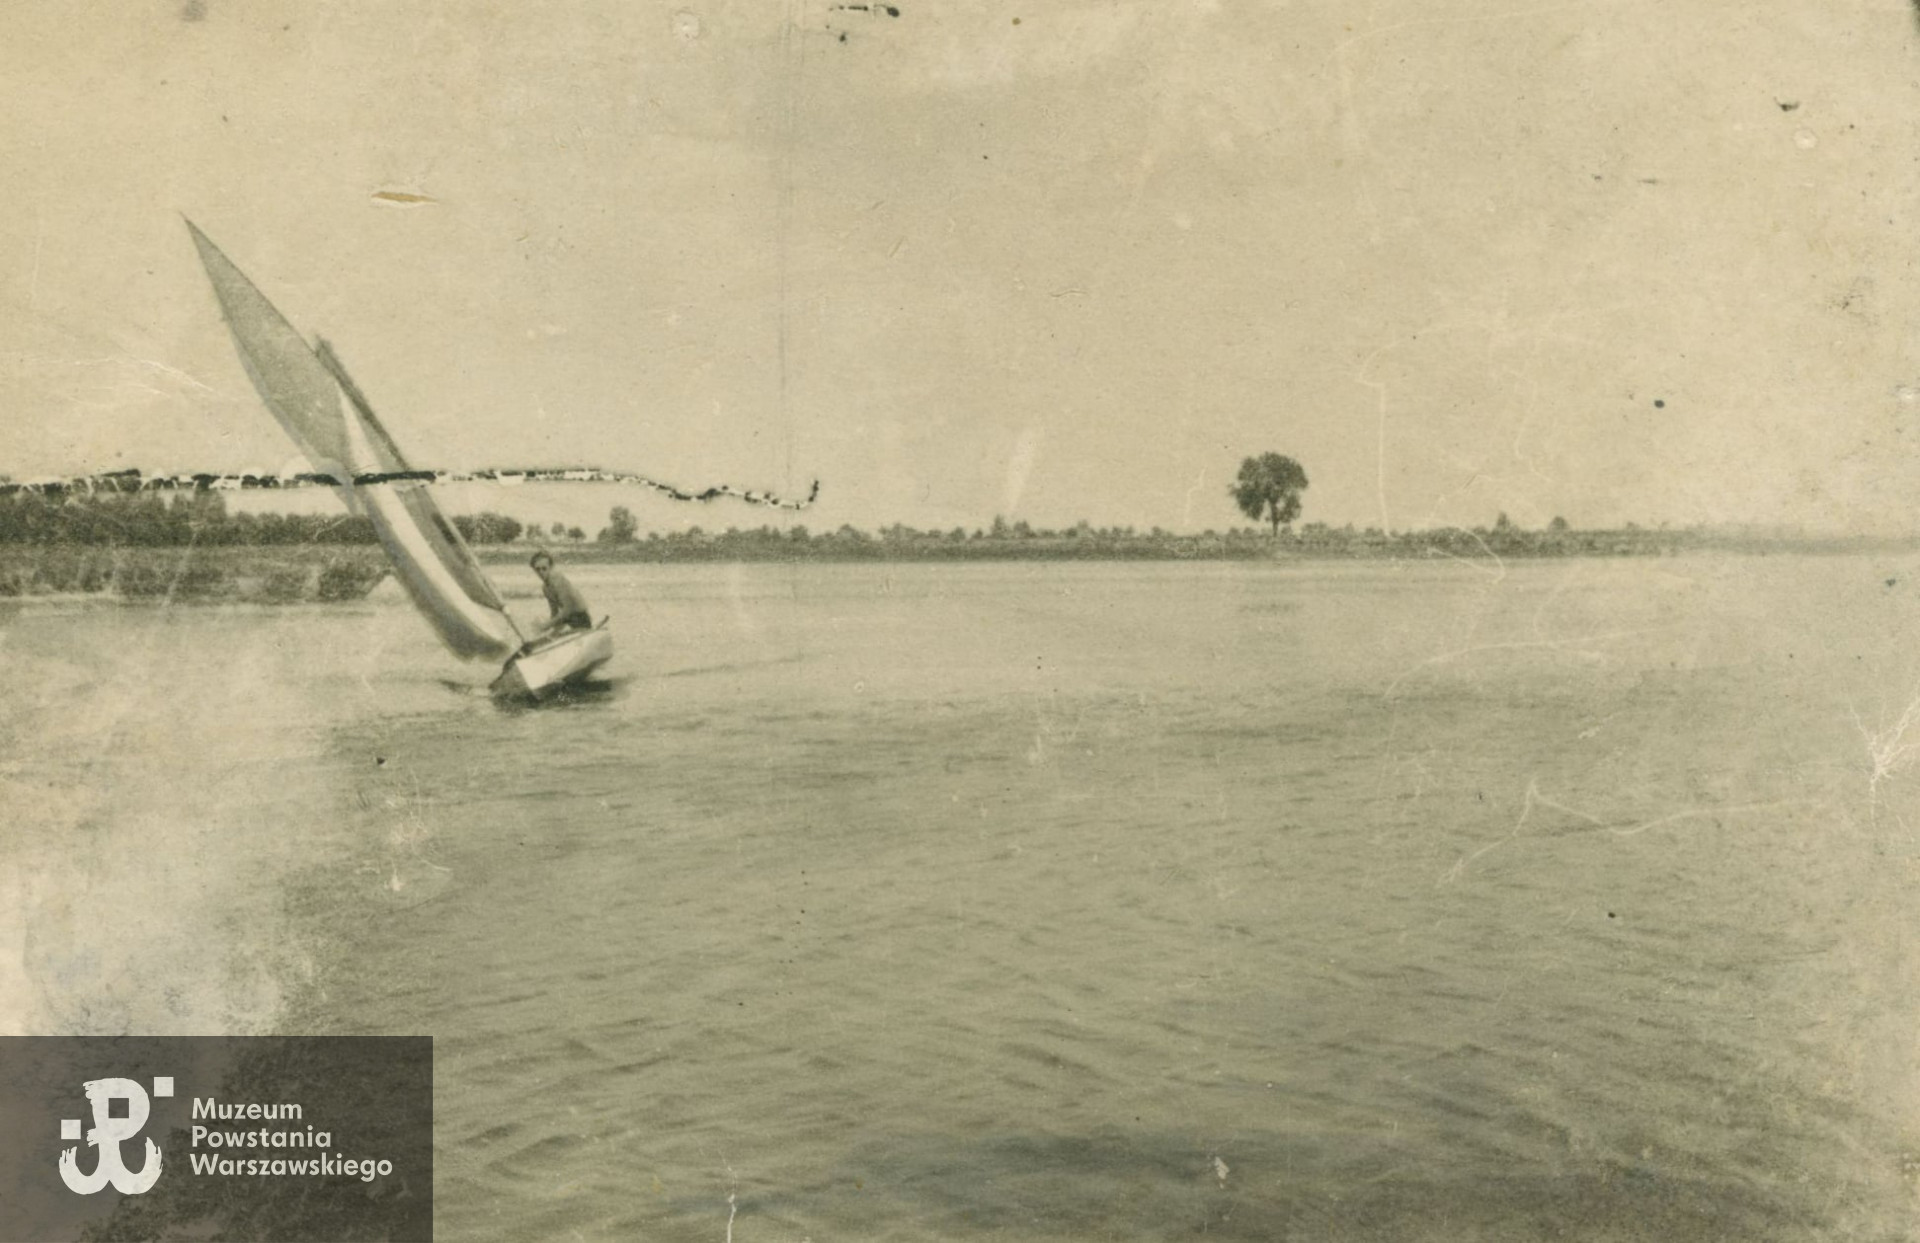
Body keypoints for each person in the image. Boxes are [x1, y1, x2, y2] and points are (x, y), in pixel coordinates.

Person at [528, 550, 592, 642]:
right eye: (537, 569)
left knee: (546, 628)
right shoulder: (545, 588)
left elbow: (567, 610)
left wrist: (546, 626)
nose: (541, 572)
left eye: (544, 568)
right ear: (534, 569)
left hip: (581, 619)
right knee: (547, 635)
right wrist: (551, 629)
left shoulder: (558, 581)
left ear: (550, 567)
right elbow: (554, 612)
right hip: (566, 620)